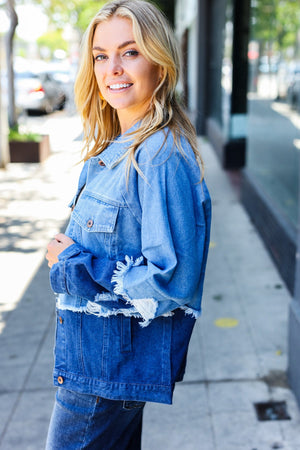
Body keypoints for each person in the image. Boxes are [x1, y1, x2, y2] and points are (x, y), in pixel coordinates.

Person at [45, 0, 211, 448]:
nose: (112, 68)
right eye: (101, 55)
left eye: (130, 52)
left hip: (102, 379)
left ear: (160, 62)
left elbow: (172, 279)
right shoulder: (118, 147)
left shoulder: (158, 158)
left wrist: (71, 263)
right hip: (96, 365)